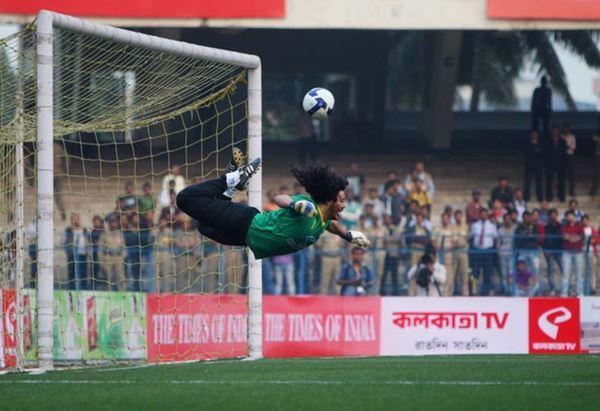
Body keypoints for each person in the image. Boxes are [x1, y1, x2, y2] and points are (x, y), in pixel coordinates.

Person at [176, 155, 371, 261]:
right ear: (329, 201)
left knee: (203, 226)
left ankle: (230, 190)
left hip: (243, 239)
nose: (344, 205)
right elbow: (280, 199)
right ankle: (233, 178)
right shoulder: (308, 207)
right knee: (184, 199)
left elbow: (334, 226)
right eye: (341, 200)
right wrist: (296, 205)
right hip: (246, 223)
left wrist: (349, 236)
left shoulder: (324, 219)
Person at [470, 208, 497, 296]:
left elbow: (496, 239)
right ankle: (473, 291)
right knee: (475, 272)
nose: (483, 216)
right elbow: (471, 237)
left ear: (487, 215)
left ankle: (485, 292)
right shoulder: (475, 225)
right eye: (482, 214)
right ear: (479, 215)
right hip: (477, 251)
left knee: (487, 273)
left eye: (485, 214)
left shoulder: (492, 226)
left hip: (488, 251)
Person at [63, 213, 89, 290]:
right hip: (72, 255)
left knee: (83, 273)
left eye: (77, 219)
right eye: (74, 219)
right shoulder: (67, 230)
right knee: (72, 273)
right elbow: (63, 242)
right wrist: (68, 249)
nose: (76, 220)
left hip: (83, 254)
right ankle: (72, 289)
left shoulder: (84, 230)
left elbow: (88, 240)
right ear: (71, 220)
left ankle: (84, 289)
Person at [514, 211, 540, 286]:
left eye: (528, 217)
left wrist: (525, 236)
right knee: (522, 270)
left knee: (535, 269)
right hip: (523, 251)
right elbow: (518, 239)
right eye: (525, 217)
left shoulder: (534, 227)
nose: (526, 219)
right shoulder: (519, 227)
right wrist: (527, 235)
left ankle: (537, 288)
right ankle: (523, 287)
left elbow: (535, 238)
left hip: (533, 251)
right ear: (522, 218)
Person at [99, 215, 125, 291]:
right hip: (108, 257)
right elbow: (100, 249)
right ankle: (109, 293)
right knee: (109, 277)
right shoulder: (104, 235)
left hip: (118, 257)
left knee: (120, 277)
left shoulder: (120, 234)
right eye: (111, 222)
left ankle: (122, 292)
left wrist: (123, 257)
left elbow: (123, 246)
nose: (113, 224)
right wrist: (101, 262)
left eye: (114, 222)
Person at [561, 210, 584, 296]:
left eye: (571, 215)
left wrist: (571, 237)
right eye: (568, 216)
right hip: (567, 252)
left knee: (579, 273)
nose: (569, 217)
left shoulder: (579, 226)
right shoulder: (564, 227)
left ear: (574, 217)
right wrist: (574, 237)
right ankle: (564, 292)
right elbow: (565, 237)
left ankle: (579, 292)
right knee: (566, 273)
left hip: (578, 251)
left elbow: (581, 237)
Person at [380, 214, 403, 296]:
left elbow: (399, 238)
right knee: (384, 275)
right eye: (385, 219)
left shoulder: (396, 229)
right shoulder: (382, 229)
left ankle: (395, 294)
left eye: (388, 219)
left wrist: (389, 238)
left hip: (394, 254)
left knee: (394, 275)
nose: (387, 220)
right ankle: (382, 293)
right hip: (384, 255)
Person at [433, 212, 453, 296]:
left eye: (446, 218)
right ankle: (438, 292)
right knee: (438, 273)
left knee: (448, 274)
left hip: (448, 255)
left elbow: (455, 242)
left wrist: (448, 248)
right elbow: (433, 240)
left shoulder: (452, 229)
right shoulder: (437, 229)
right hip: (438, 254)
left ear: (449, 219)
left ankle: (448, 293)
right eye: (443, 218)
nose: (445, 220)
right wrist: (437, 247)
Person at [542, 209, 562, 295]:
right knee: (550, 270)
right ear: (549, 216)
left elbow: (562, 238)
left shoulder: (561, 226)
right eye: (551, 215)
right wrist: (545, 249)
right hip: (550, 250)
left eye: (555, 214)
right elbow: (545, 238)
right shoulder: (547, 226)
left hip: (559, 249)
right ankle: (552, 288)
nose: (553, 216)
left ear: (557, 215)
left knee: (563, 269)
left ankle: (564, 288)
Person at [317, 230, 344, 295]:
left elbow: (342, 244)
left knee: (338, 279)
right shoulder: (324, 231)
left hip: (337, 257)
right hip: (327, 257)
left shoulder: (340, 229)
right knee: (325, 279)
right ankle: (323, 296)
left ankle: (338, 296)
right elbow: (318, 244)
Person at [545, 125, 567, 202]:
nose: (555, 132)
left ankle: (561, 197)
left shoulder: (562, 141)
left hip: (560, 164)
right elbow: (545, 153)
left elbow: (564, 154)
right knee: (548, 181)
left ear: (558, 131)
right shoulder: (548, 141)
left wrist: (564, 164)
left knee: (561, 181)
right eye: (553, 130)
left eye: (556, 130)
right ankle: (549, 197)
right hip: (550, 164)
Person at [451, 210, 470, 296]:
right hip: (454, 252)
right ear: (454, 217)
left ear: (462, 216)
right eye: (456, 216)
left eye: (459, 216)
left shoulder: (466, 226)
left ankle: (465, 293)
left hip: (463, 252)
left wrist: (460, 242)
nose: (458, 217)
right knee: (452, 273)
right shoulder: (452, 227)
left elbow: (467, 239)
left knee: (464, 273)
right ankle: (451, 292)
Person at [524, 129, 544, 202]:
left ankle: (540, 198)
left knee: (539, 183)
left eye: (536, 134)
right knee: (527, 182)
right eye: (533, 133)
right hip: (529, 165)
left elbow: (542, 153)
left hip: (538, 166)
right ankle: (526, 198)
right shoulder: (527, 142)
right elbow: (526, 152)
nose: (534, 135)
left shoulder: (541, 143)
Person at [497, 213, 515, 295]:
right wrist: (499, 251)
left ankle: (511, 290)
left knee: (510, 273)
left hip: (511, 253)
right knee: (504, 273)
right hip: (503, 253)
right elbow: (498, 242)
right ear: (504, 221)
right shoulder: (500, 230)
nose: (507, 221)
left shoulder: (514, 229)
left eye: (509, 219)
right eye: (506, 219)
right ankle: (505, 290)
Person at [531, 75, 552, 140]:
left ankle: (545, 138)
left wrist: (550, 110)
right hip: (538, 110)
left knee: (545, 127)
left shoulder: (548, 90)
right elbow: (534, 101)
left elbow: (549, 101)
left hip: (544, 110)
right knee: (536, 127)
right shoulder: (538, 90)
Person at [561, 123, 577, 197]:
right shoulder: (561, 136)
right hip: (562, 156)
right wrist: (566, 146)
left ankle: (572, 191)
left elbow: (573, 147)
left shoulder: (572, 137)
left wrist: (565, 145)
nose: (566, 130)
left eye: (567, 128)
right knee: (562, 174)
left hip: (570, 156)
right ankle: (562, 191)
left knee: (571, 174)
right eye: (565, 128)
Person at [591, 118, 600, 197]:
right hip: (598, 155)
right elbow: (594, 139)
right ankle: (594, 191)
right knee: (596, 174)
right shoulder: (597, 131)